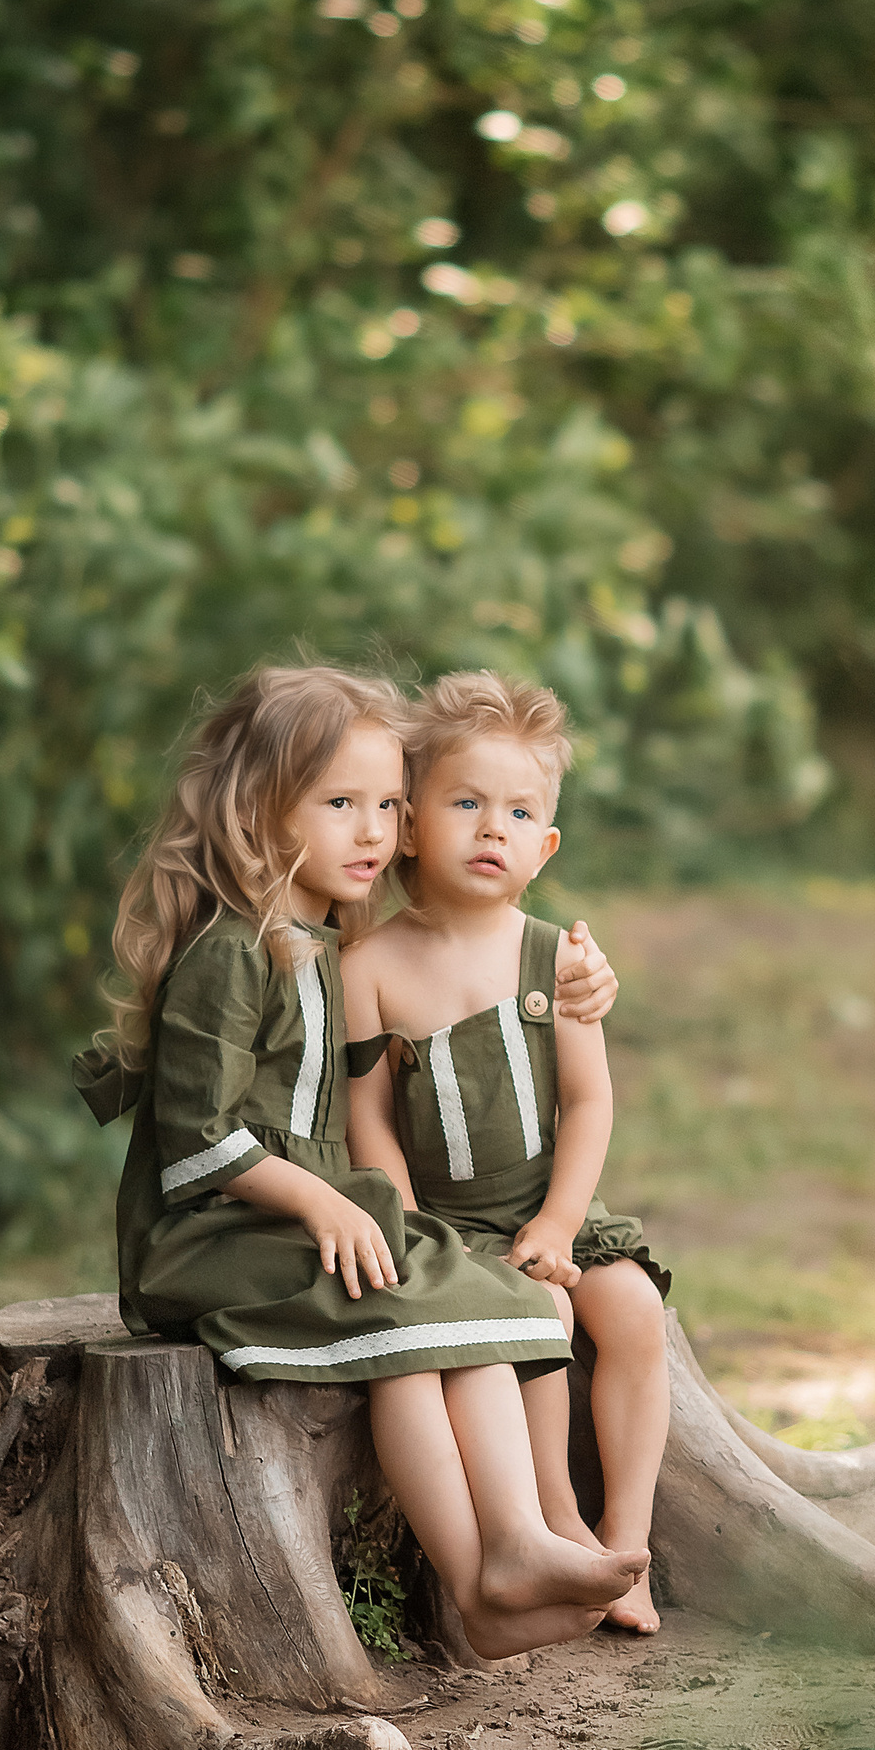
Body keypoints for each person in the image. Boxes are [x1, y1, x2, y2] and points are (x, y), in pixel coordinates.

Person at [72, 661, 646, 1658]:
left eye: (386, 803)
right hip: (213, 1237)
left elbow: (472, 969)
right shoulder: (232, 952)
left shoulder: (323, 941)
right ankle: (477, 1576)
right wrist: (322, 1202)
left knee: (475, 1305)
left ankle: (515, 1543)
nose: (374, 830)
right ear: (259, 811)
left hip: (303, 1219)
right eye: (341, 803)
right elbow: (199, 1137)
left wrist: (585, 973)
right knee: (416, 1321)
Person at [342, 670, 672, 1636]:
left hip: (547, 1206)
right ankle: (555, 1524)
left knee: (631, 1306)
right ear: (410, 826)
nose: (494, 829)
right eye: (467, 804)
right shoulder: (371, 968)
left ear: (546, 845)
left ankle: (628, 1538)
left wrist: (562, 1222)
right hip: (449, 1226)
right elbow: (369, 1118)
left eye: (520, 812)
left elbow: (588, 1100)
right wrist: (414, 1232)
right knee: (540, 1310)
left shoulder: (555, 958)